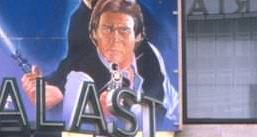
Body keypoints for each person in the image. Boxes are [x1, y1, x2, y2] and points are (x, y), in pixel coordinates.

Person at [21, 0, 178, 125]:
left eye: (124, 30)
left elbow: (163, 113)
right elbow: (73, 64)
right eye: (108, 30)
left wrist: (122, 108)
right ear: (94, 34)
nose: (116, 38)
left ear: (137, 35)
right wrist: (50, 89)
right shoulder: (81, 21)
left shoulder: (150, 48)